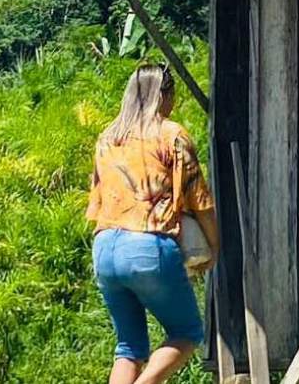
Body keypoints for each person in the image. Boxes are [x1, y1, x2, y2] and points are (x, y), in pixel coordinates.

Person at [86, 64, 219, 384]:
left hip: (104, 248)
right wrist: (214, 247)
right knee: (187, 332)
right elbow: (198, 198)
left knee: (128, 348)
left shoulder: (108, 136)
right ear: (164, 95)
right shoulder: (170, 134)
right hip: (146, 245)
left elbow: (98, 197)